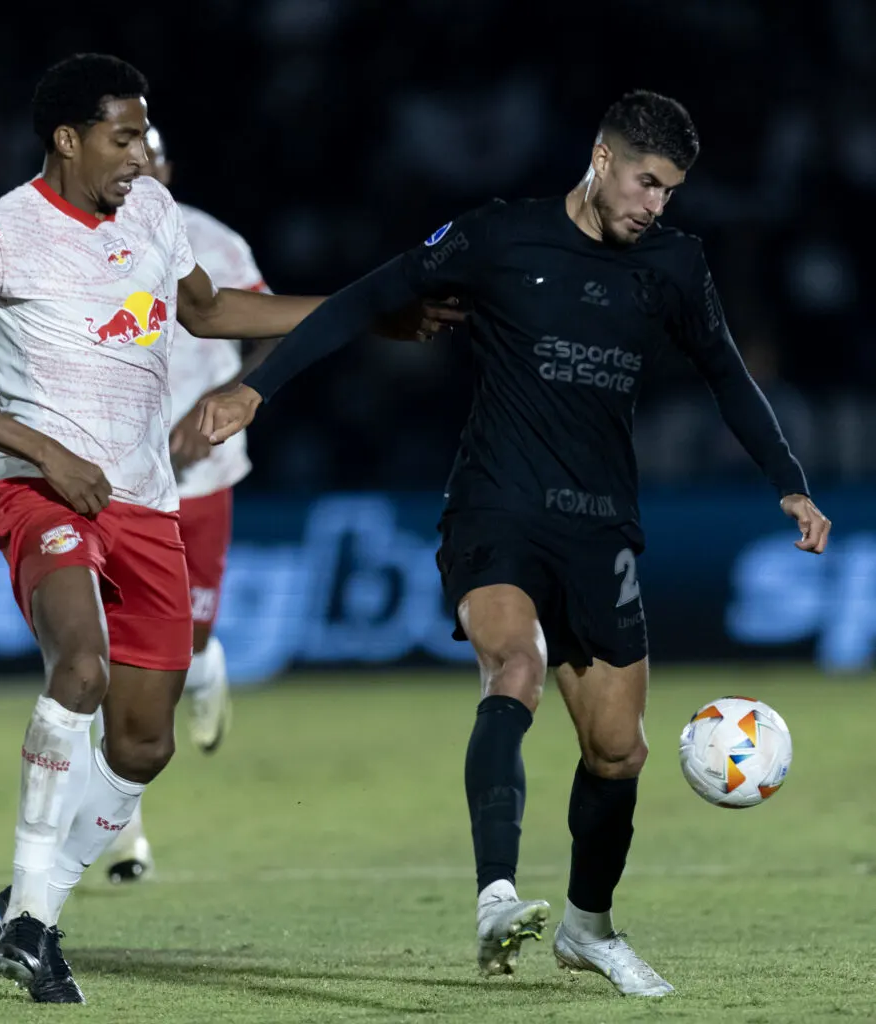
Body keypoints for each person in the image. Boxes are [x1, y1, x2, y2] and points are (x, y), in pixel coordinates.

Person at [197, 89, 832, 997]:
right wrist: (260, 392)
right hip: (495, 508)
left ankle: (587, 927)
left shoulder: (674, 264)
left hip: (600, 523)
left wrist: (788, 480)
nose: (656, 205)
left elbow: (726, 375)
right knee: (514, 667)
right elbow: (358, 302)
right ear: (601, 158)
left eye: (670, 191)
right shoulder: (498, 237)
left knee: (618, 752)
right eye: (646, 182)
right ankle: (497, 896)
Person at [0, 53, 456, 1005]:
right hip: (42, 491)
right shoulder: (1, 235)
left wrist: (358, 316)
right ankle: (32, 920)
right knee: (81, 667)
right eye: (121, 137)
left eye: (145, 136)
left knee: (143, 748)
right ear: (67, 140)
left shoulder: (152, 212)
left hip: (146, 503)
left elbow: (208, 311)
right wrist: (41, 450)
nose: (139, 154)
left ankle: (31, 905)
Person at [100, 124, 275, 884]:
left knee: (183, 646)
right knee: (107, 660)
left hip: (198, 478)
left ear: (167, 166)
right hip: (110, 483)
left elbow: (265, 333)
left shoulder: (211, 240)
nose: (140, 170)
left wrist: (221, 400)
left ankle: (207, 664)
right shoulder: (77, 242)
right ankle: (121, 833)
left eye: (152, 158)